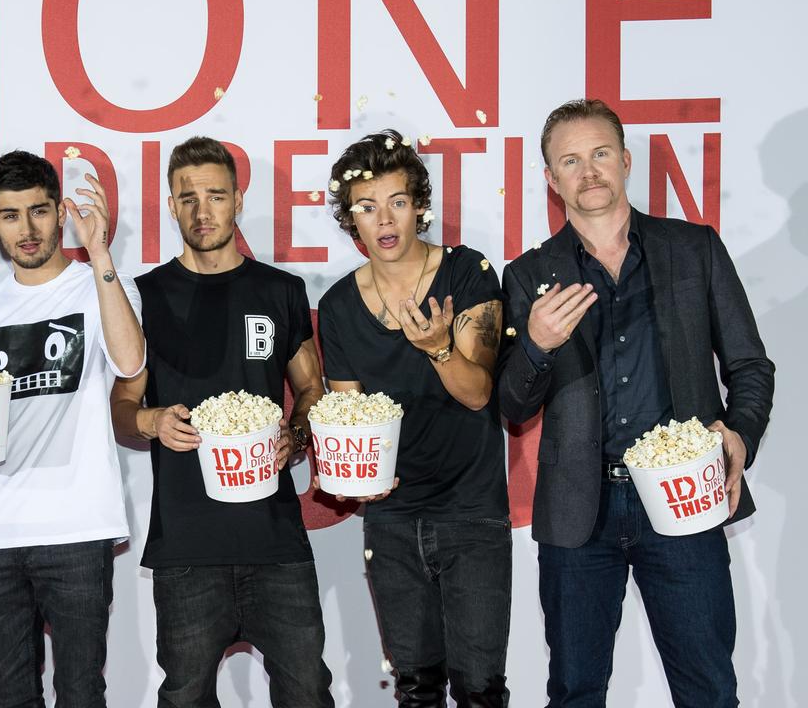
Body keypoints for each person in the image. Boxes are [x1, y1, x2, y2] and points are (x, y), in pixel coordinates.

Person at [497, 98, 775, 707]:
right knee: (574, 692)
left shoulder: (693, 249)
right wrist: (538, 346)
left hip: (683, 499)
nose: (587, 171)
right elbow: (513, 405)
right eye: (569, 161)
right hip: (578, 512)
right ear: (550, 179)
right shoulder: (526, 275)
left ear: (624, 160)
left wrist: (740, 434)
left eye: (599, 154)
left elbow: (751, 367)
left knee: (708, 690)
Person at [110, 136, 334, 707]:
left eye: (214, 195)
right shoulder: (147, 296)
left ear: (238, 200)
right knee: (184, 697)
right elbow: (120, 410)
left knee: (308, 693)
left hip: (276, 538)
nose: (201, 211)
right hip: (187, 545)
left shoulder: (280, 291)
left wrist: (298, 434)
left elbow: (310, 389)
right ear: (170, 204)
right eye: (187, 198)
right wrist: (153, 419)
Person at [0, 150, 144, 707]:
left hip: (80, 526)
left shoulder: (100, 286)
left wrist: (100, 252)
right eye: (10, 215)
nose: (26, 230)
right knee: (9, 696)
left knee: (80, 693)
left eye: (39, 211)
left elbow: (129, 364)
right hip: (0, 534)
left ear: (60, 212)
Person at [315, 130, 511, 706]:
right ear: (350, 220)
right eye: (367, 207)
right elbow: (350, 417)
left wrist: (439, 347)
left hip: (471, 512)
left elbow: (478, 394)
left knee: (479, 689)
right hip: (392, 518)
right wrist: (352, 473)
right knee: (416, 690)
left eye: (397, 201)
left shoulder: (468, 272)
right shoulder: (339, 307)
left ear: (419, 205)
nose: (385, 220)